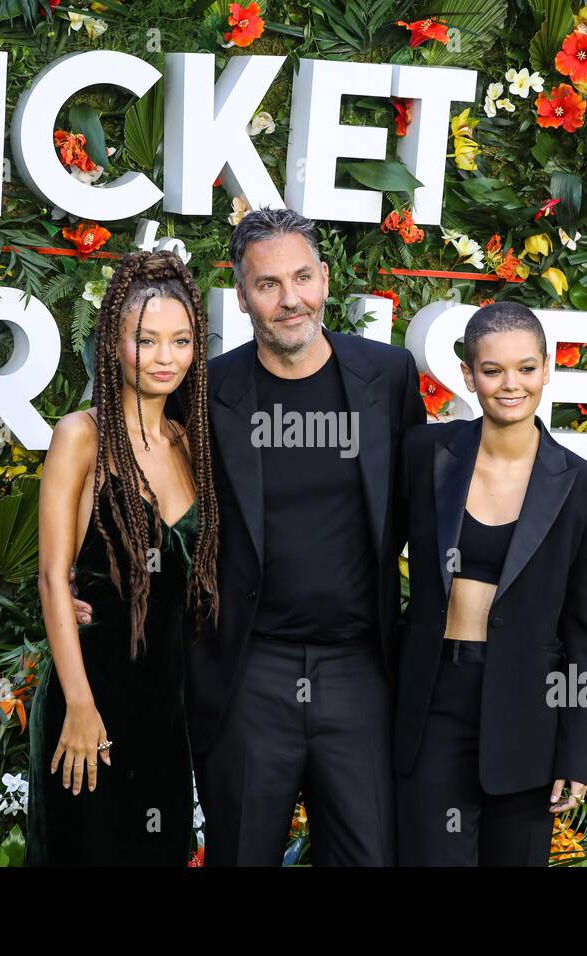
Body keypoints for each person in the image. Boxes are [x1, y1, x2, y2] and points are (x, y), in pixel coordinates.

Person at [184, 207, 425, 865]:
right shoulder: (207, 392)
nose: (290, 300)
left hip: (359, 672)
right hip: (249, 672)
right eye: (268, 284)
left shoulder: (389, 376)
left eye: (302, 278)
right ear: (241, 294)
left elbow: (418, 509)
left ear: (325, 277)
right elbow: (163, 510)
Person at [393, 301, 587, 866]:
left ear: (547, 371)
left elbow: (584, 635)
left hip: (527, 717)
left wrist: (575, 752)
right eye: (492, 370)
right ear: (468, 376)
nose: (510, 384)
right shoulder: (425, 455)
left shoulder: (585, 488)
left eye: (526, 368)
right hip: (434, 701)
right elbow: (371, 561)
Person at [27, 250, 219, 866]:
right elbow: (54, 579)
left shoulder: (192, 443)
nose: (165, 357)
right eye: (147, 340)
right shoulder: (80, 436)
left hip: (167, 709)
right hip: (93, 695)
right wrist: (80, 708)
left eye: (181, 340)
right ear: (113, 342)